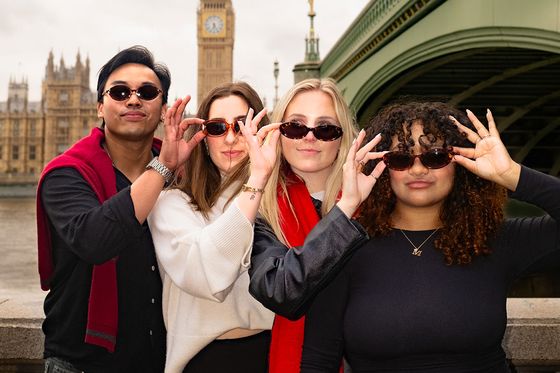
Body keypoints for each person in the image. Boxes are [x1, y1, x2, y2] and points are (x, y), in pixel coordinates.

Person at [299, 101, 560, 372]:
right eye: (401, 157)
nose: (418, 169)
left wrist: (512, 175)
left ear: (458, 163)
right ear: (383, 167)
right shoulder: (345, 245)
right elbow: (319, 361)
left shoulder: (494, 239)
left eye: (434, 156)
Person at [36, 45, 204, 373]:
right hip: (82, 364)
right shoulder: (66, 174)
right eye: (119, 91)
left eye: (147, 92)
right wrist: (163, 168)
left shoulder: (188, 174)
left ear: (163, 108)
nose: (133, 99)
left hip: (163, 361)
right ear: (99, 106)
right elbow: (96, 239)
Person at [248, 78, 387, 373]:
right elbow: (281, 291)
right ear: (279, 134)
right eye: (296, 127)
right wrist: (346, 207)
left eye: (325, 129)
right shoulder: (259, 210)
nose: (309, 137)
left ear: (342, 138)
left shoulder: (379, 205)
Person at [147, 82, 281, 373]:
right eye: (218, 128)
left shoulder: (280, 199)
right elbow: (208, 275)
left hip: (276, 355)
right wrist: (257, 179)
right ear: (203, 139)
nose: (231, 138)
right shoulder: (171, 203)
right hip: (205, 361)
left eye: (242, 126)